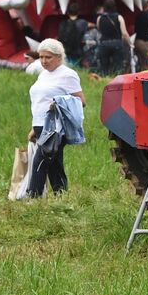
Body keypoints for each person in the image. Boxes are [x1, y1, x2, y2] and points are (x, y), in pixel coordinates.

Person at [25, 39, 84, 197]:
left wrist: (59, 103)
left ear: (59, 57)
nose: (43, 61)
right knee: (54, 163)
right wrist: (33, 128)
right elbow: (39, 102)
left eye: (48, 57)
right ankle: (62, 194)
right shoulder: (43, 75)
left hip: (56, 127)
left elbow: (80, 101)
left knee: (41, 160)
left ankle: (33, 197)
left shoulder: (68, 75)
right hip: (40, 125)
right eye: (41, 57)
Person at [94, 0, 129, 75]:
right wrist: (129, 43)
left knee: (104, 66)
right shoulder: (119, 17)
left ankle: (104, 81)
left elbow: (99, 30)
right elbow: (124, 33)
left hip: (104, 43)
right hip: (117, 43)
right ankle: (116, 82)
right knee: (118, 66)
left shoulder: (100, 18)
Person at [57, 4, 87, 68]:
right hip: (77, 50)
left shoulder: (62, 24)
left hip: (66, 50)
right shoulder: (82, 23)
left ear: (68, 12)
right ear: (78, 12)